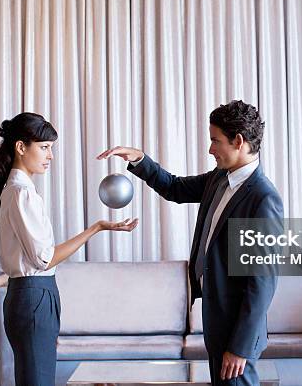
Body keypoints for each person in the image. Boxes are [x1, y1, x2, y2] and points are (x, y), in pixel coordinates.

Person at [98, 100, 283, 386]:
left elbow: (262, 281)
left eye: (215, 141)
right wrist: (139, 159)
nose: (210, 149)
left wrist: (240, 347)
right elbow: (175, 188)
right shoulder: (220, 179)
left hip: (236, 331)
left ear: (238, 141)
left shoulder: (263, 198)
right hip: (216, 319)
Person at [0, 112, 138, 386]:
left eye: (51, 148)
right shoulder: (22, 193)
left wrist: (98, 227)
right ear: (21, 147)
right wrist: (96, 229)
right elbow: (44, 259)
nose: (50, 156)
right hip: (34, 296)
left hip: (33, 295)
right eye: (44, 147)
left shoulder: (17, 189)